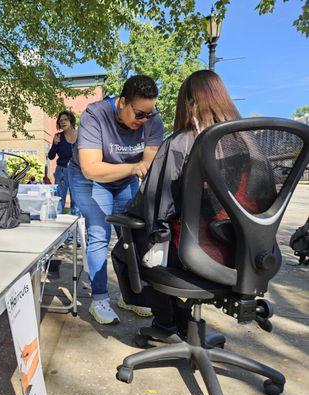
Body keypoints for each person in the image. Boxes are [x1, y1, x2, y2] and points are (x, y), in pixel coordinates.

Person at [111, 69, 274, 336]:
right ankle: (183, 321)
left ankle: (166, 320)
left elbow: (154, 206)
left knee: (126, 249)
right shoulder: (249, 145)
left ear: (188, 103)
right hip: (247, 254)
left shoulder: (181, 143)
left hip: (196, 251)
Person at [68, 75, 164, 325]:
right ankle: (99, 299)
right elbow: (91, 168)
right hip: (89, 178)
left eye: (149, 114)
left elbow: (149, 162)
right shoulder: (95, 114)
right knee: (99, 231)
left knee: (131, 235)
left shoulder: (152, 119)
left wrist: (136, 169)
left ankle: (131, 296)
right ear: (122, 102)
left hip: (124, 178)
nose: (144, 121)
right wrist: (134, 168)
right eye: (139, 114)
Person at [48, 111, 79, 215]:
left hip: (77, 172)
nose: (63, 122)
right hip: (61, 171)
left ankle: (77, 229)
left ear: (71, 120)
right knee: (59, 201)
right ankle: (59, 228)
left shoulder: (81, 135)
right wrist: (54, 144)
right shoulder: (58, 137)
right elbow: (51, 156)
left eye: (65, 119)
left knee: (77, 202)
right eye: (60, 121)